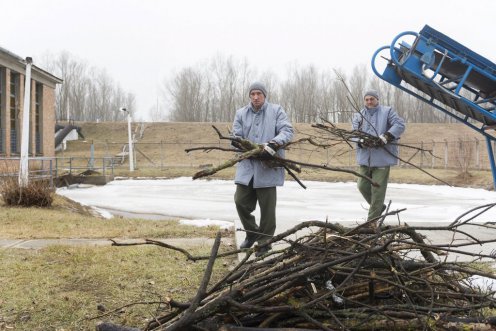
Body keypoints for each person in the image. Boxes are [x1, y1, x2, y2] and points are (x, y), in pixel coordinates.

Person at [231, 81, 294, 256]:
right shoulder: (241, 113)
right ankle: (252, 233)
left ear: (265, 95)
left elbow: (287, 131)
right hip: (247, 167)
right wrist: (242, 145)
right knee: (240, 201)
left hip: (268, 167)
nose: (256, 97)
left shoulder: (276, 111)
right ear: (249, 96)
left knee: (267, 208)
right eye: (253, 94)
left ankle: (265, 242)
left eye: (259, 93)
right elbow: (235, 136)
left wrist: (274, 144)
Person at [352, 89, 405, 225]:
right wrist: (361, 142)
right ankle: (379, 207)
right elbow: (353, 133)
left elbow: (399, 125)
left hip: (382, 158)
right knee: (362, 185)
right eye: (367, 99)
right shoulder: (359, 115)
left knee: (377, 191)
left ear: (377, 100)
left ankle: (371, 223)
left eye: (372, 99)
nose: (369, 102)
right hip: (365, 159)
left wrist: (386, 137)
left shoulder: (387, 111)